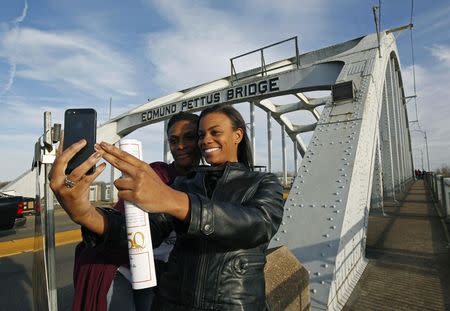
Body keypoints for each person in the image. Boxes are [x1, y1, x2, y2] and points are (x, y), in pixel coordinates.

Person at [52, 104, 284, 310]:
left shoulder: (263, 182)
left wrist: (175, 200)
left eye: (215, 133)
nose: (206, 140)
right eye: (202, 134)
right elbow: (143, 233)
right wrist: (85, 213)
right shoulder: (184, 184)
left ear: (237, 135)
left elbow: (258, 225)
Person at [50, 112, 201, 311]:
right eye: (173, 140)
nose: (180, 146)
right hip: (123, 270)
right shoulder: (156, 174)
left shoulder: (205, 184)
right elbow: (123, 223)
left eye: (189, 137)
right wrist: (84, 213)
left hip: (164, 275)